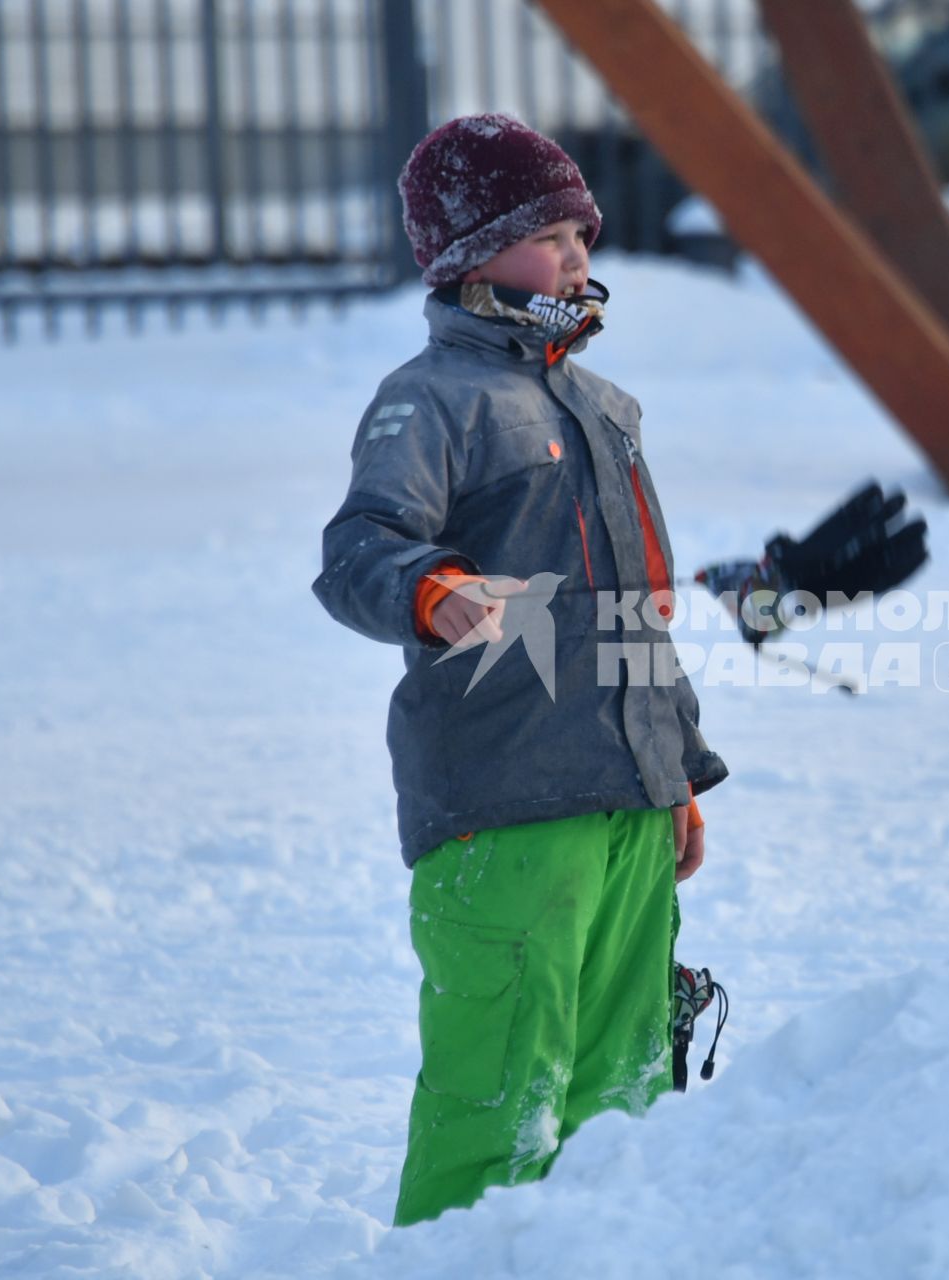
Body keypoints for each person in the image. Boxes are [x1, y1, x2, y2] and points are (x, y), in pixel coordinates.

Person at [311, 113, 728, 1227]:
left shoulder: (607, 410)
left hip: (626, 807)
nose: (578, 255)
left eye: (582, 231)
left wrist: (674, 769)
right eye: (547, 233)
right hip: (504, 805)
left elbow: (644, 609)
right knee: (496, 1095)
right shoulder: (431, 399)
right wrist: (433, 591)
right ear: (467, 255)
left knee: (623, 1097)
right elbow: (358, 550)